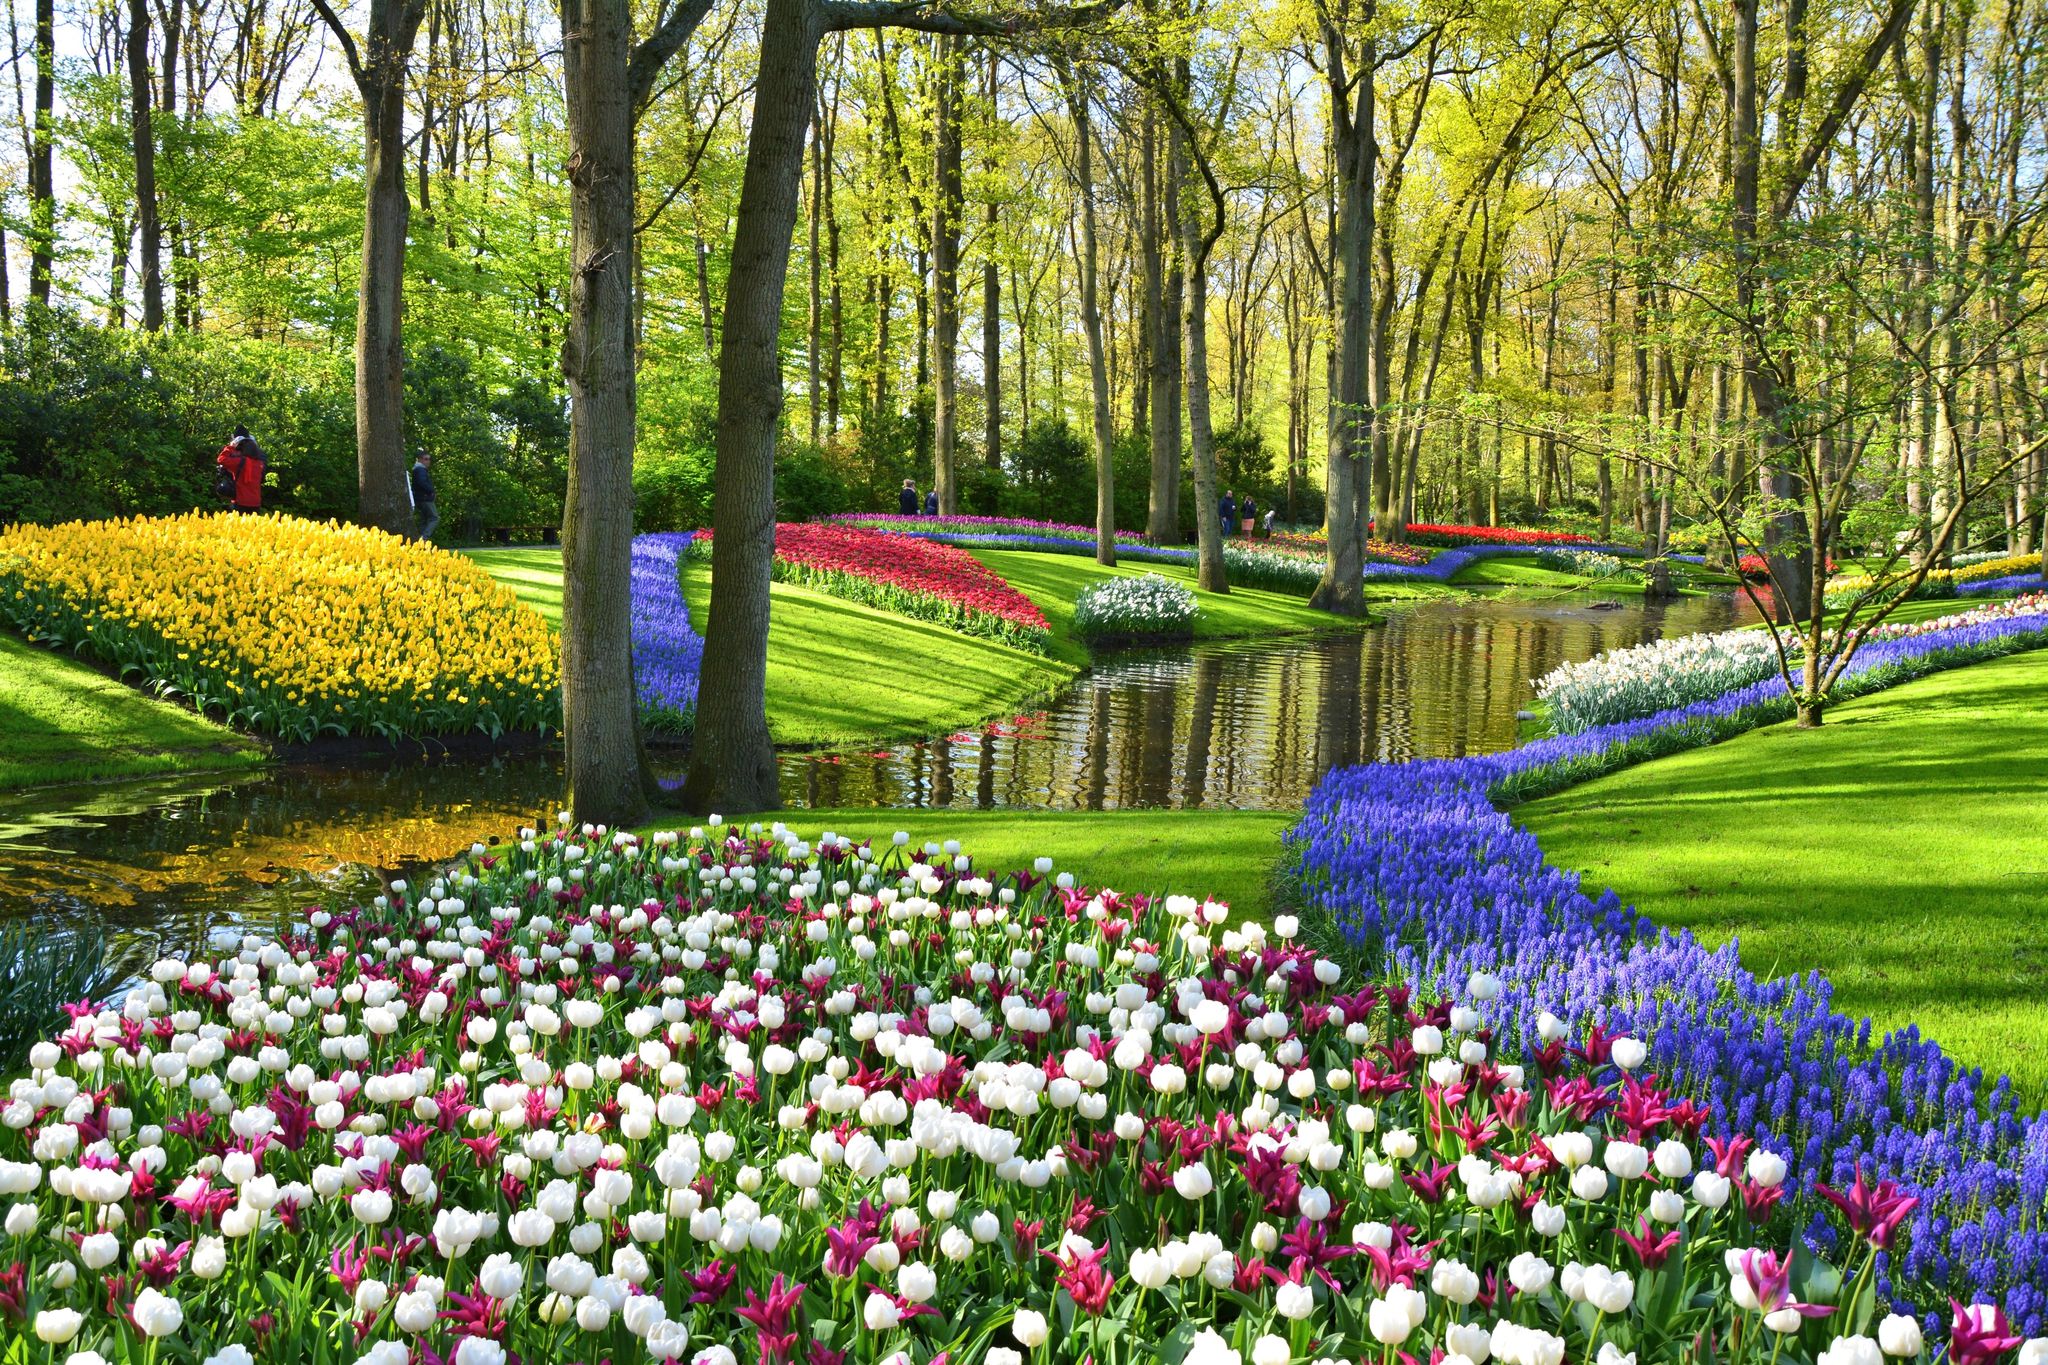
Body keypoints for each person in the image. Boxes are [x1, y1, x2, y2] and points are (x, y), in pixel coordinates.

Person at [215, 425, 267, 513]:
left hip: (240, 502)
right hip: (256, 503)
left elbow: (221, 459)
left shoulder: (240, 462)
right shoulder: (260, 463)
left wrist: (230, 446)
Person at [410, 450, 438, 541]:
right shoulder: (420, 469)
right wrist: (432, 491)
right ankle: (424, 538)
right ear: (420, 460)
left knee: (424, 519)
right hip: (425, 498)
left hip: (419, 498)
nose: (428, 461)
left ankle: (421, 541)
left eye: (429, 459)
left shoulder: (417, 469)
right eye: (426, 459)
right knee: (434, 518)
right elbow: (422, 482)